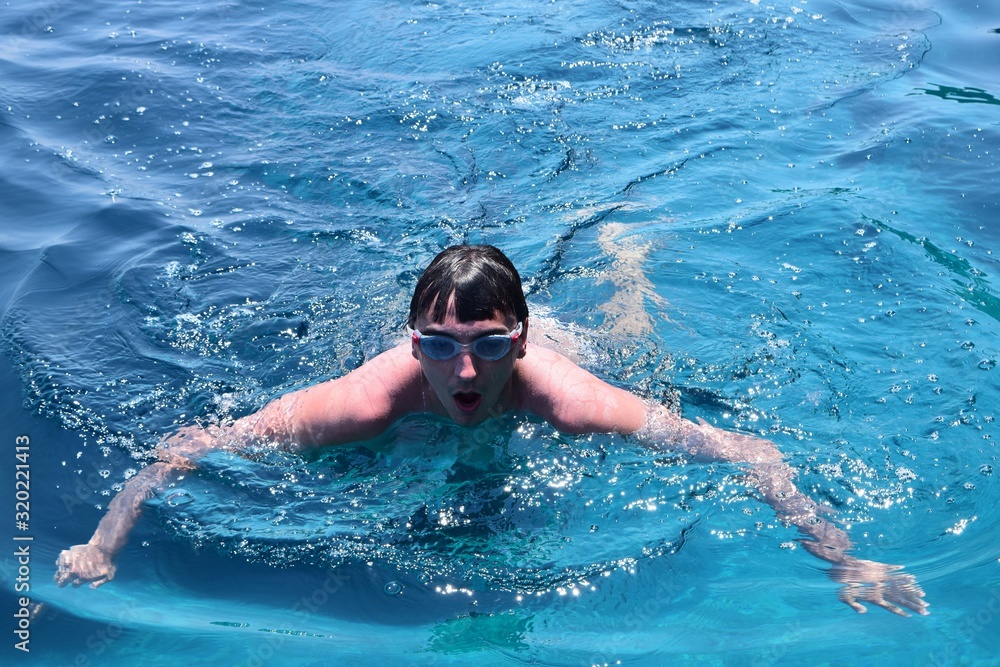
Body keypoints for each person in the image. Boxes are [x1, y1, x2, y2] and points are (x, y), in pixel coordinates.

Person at [54, 244, 929, 617]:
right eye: (439, 347)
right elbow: (188, 444)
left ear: (520, 341)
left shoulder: (571, 401)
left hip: (576, 354)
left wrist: (840, 553)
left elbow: (752, 451)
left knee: (631, 332)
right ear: (413, 344)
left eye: (488, 348)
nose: (463, 374)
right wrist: (103, 541)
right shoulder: (366, 403)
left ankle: (627, 262)